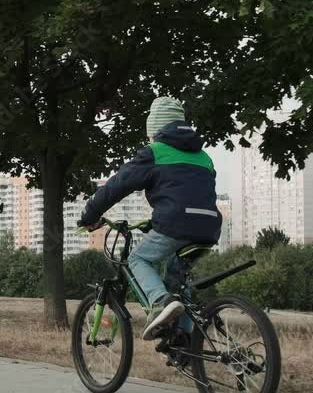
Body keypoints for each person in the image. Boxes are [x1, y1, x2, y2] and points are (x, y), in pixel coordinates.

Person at [78, 96, 222, 340]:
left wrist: (90, 214)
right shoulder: (204, 157)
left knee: (138, 259)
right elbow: (190, 194)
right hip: (209, 226)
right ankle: (183, 342)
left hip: (176, 223)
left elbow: (117, 185)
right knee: (177, 280)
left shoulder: (155, 153)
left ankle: (159, 301)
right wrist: (156, 223)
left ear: (154, 128)